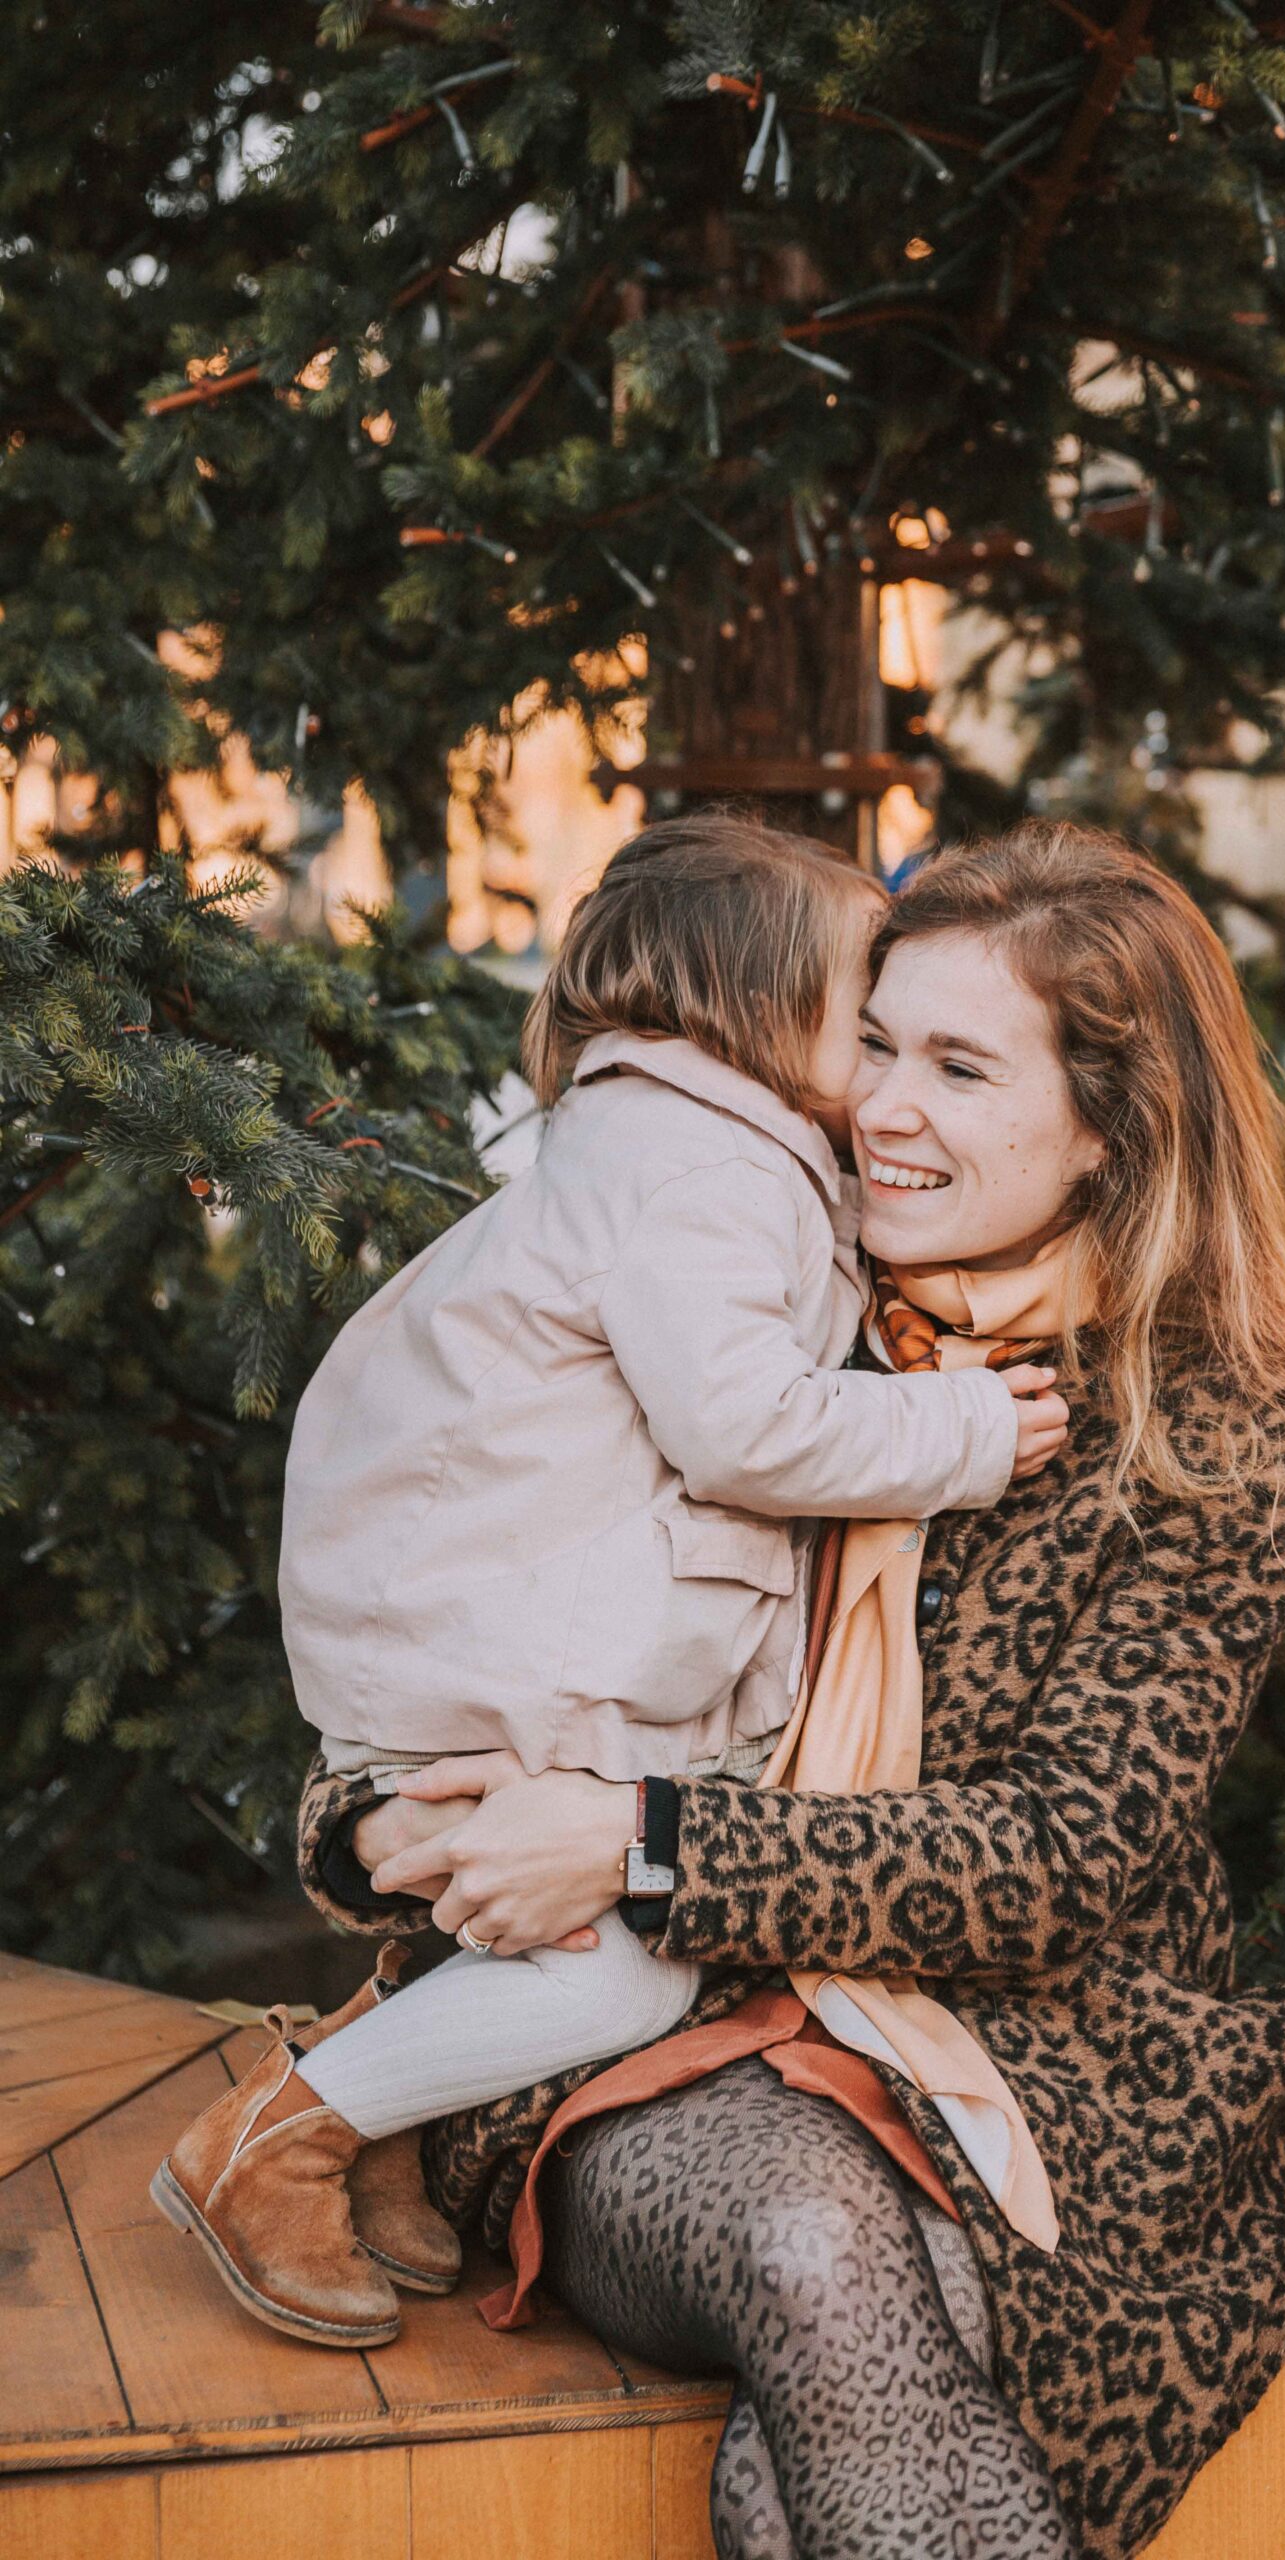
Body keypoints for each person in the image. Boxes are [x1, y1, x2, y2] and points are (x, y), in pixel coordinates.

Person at [300, 822, 1285, 2558]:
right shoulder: (728, 1280)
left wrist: (642, 1840)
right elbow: (448, 1589)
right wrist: (380, 1817)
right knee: (815, 2244)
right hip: (634, 2034)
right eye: (875, 1042)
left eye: (961, 1069)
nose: (883, 1107)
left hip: (1038, 2047)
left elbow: (1060, 1858)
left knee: (844, 2393)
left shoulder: (1208, 1425)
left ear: (1111, 1127)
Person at [151, 814, 1067, 2351]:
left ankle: (373, 2115)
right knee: (616, 1979)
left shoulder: (689, 1145)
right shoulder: (698, 1173)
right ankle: (276, 2137)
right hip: (500, 1654)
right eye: (866, 1018)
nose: (885, 1067)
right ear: (762, 1006)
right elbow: (741, 1426)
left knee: (585, 1935)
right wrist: (964, 1428)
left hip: (496, 1631)